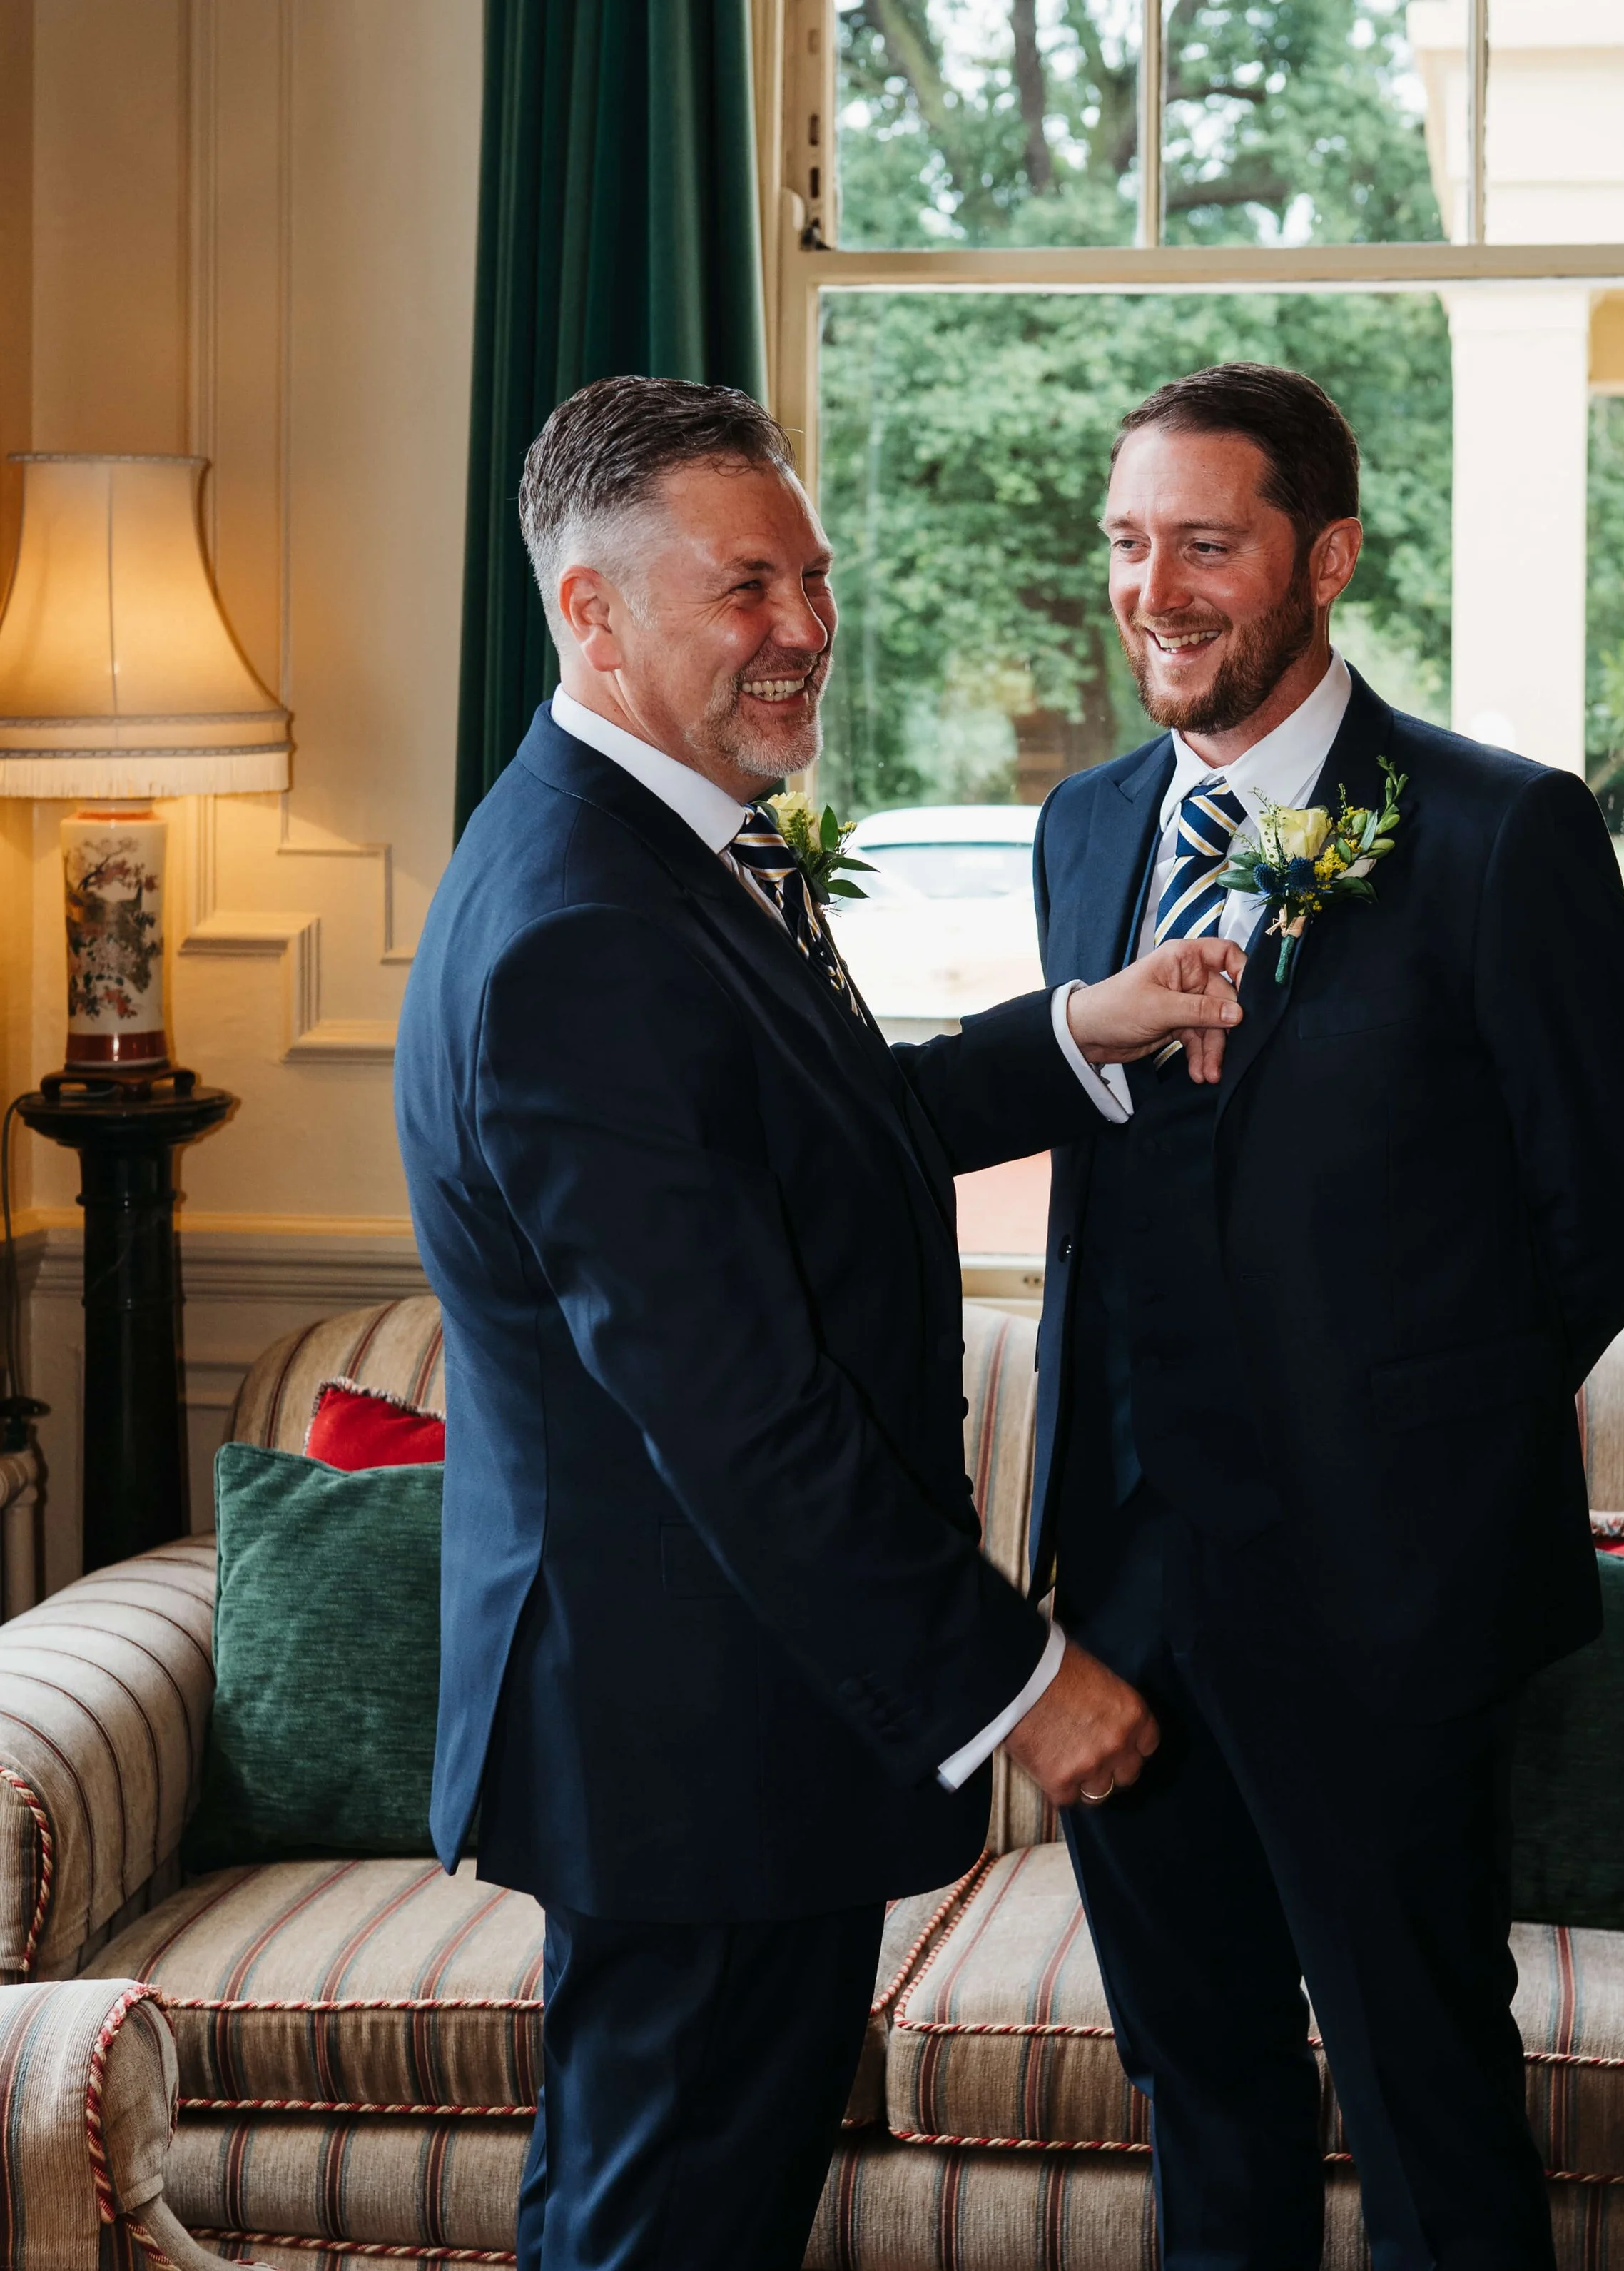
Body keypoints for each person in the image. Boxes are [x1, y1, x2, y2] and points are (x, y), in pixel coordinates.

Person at [392, 375, 1244, 2271]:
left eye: (810, 574)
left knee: (654, 2202)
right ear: (589, 614)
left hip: (714, 1709)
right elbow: (734, 1408)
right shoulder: (582, 930)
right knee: (671, 2220)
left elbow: (812, 1146)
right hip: (683, 1722)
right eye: (740, 588)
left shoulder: (671, 844)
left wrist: (1071, 1031)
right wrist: (1017, 1679)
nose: (800, 627)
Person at [1029, 361, 1624, 2271]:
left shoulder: (1500, 837)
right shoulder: (1082, 831)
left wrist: (1397, 1447)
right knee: (1199, 2089)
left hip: (1385, 1607)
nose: (1154, 586)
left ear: (1323, 556)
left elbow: (1609, 1209)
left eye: (1204, 542)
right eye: (1129, 542)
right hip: (1128, 1601)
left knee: (1426, 2105)